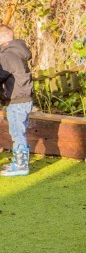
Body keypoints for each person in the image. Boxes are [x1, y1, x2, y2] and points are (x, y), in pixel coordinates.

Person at [0, 25, 34, 177]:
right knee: (19, 130)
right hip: (23, 98)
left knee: (17, 132)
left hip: (17, 99)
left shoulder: (7, 55)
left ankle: (21, 166)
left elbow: (1, 74)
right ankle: (19, 161)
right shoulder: (18, 51)